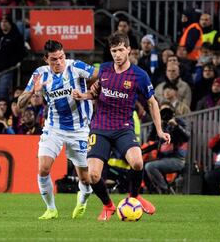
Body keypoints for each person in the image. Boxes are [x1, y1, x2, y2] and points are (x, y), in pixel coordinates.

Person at [73, 33, 170, 221]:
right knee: (93, 175)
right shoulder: (104, 70)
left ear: (128, 50)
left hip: (123, 128)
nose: (116, 54)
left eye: (120, 50)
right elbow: (95, 93)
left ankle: (134, 197)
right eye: (113, 51)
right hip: (100, 127)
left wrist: (159, 130)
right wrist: (82, 95)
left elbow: (152, 103)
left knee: (137, 162)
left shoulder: (139, 75)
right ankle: (108, 206)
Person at [17, 40, 98, 220]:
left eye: (61, 57)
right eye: (54, 59)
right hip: (54, 128)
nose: (59, 62)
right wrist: (32, 92)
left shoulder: (76, 67)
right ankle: (51, 209)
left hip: (79, 129)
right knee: (43, 169)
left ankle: (82, 200)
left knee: (85, 178)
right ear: (46, 59)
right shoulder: (40, 74)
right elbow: (19, 104)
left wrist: (92, 90)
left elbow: (101, 75)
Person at [144, 104, 190, 194]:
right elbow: (149, 140)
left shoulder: (179, 122)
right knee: (143, 166)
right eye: (162, 112)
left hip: (177, 159)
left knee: (150, 166)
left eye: (167, 111)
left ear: (172, 112)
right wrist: (157, 127)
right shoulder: (160, 125)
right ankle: (153, 190)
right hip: (162, 159)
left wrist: (176, 125)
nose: (165, 114)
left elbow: (187, 137)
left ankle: (165, 189)